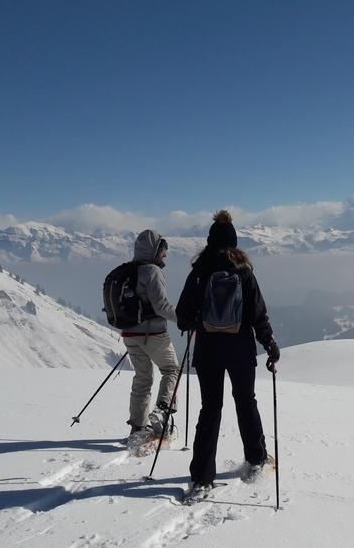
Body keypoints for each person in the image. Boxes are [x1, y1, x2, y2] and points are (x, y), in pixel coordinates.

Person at [176, 210, 280, 502]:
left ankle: (201, 477)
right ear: (234, 241)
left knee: (210, 409)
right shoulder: (243, 270)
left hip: (208, 350)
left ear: (210, 240)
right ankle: (257, 460)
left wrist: (199, 322)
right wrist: (269, 343)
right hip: (240, 348)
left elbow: (182, 317)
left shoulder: (199, 272)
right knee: (246, 403)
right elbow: (257, 313)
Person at [120, 229, 181, 442]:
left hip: (129, 333)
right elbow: (162, 306)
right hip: (152, 333)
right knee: (171, 369)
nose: (164, 255)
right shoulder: (152, 272)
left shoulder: (127, 271)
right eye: (163, 251)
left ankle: (137, 427)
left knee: (142, 378)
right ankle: (162, 412)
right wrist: (183, 318)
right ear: (155, 250)